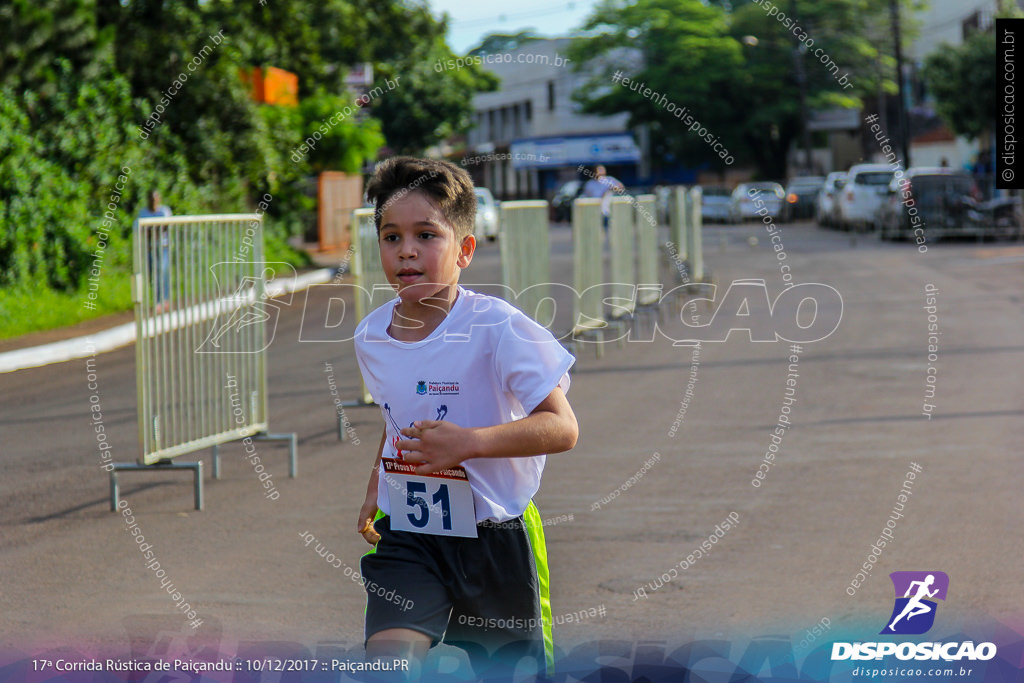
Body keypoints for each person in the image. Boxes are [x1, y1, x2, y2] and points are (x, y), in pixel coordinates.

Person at [354, 156, 579, 679]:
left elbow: (562, 427)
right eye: (391, 236)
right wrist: (377, 482)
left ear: (465, 250)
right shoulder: (370, 335)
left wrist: (469, 443)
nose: (406, 250)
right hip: (410, 530)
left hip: (494, 535)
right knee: (388, 661)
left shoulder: (498, 328)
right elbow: (397, 419)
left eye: (426, 235)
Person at [136, 190, 173, 311]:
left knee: (163, 271)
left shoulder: (164, 211)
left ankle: (164, 299)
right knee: (153, 273)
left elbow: (165, 227)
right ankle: (158, 300)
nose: (153, 201)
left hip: (163, 247)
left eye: (155, 198)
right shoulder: (144, 212)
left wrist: (153, 230)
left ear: (159, 199)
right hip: (150, 247)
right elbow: (142, 229)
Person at [581, 164, 624, 232]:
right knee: (597, 231)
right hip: (595, 211)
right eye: (599, 171)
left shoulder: (609, 180)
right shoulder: (590, 184)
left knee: (611, 230)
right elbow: (586, 197)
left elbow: (620, 187)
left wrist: (612, 188)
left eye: (602, 171)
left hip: (608, 210)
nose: (601, 173)